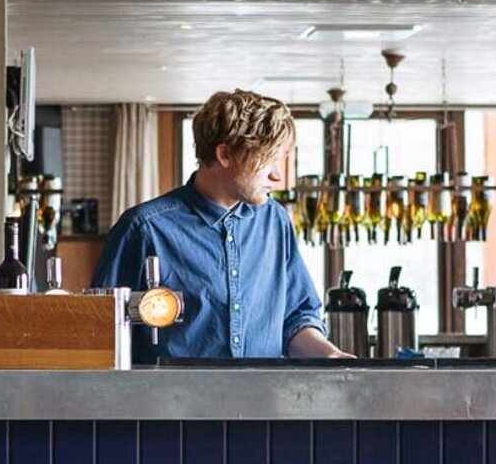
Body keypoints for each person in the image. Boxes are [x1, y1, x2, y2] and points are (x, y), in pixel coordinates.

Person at [91, 89, 351, 362]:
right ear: (225, 154)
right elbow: (100, 334)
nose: (277, 175)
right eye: (267, 160)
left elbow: (296, 317)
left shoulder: (275, 220)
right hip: (171, 403)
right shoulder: (143, 229)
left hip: (263, 401)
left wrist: (330, 354)